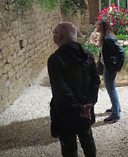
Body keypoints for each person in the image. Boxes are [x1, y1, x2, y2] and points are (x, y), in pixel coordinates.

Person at [48, 22, 100, 157]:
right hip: (86, 109)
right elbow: (95, 82)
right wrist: (88, 104)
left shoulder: (55, 59)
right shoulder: (87, 55)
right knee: (88, 141)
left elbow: (60, 89)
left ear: (60, 37)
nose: (53, 34)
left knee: (68, 147)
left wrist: (78, 108)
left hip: (66, 112)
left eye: (55, 32)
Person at [97, 19, 125, 122]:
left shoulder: (108, 39)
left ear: (104, 27)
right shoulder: (105, 38)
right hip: (107, 67)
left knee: (111, 90)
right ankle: (116, 108)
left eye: (98, 25)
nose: (97, 26)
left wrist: (117, 68)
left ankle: (115, 114)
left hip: (110, 69)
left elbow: (121, 53)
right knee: (111, 89)